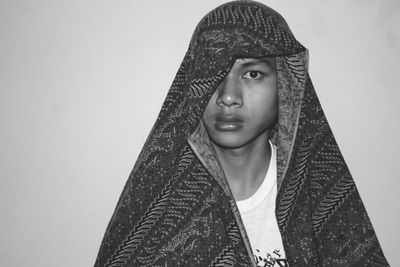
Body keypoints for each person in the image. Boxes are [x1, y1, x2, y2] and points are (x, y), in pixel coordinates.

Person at [95, 1, 389, 266]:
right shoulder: (156, 212)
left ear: (285, 85)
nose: (229, 96)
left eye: (252, 74)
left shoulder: (321, 193)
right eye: (215, 70)